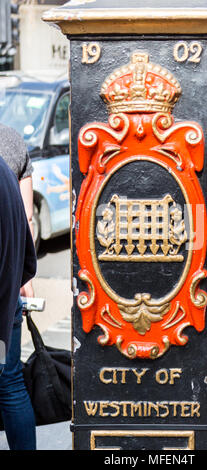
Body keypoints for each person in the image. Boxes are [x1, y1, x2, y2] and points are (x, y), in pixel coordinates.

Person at [0, 123, 36, 450]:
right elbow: (26, 218)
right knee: (9, 382)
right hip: (8, 291)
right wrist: (24, 277)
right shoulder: (10, 141)